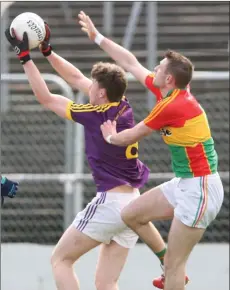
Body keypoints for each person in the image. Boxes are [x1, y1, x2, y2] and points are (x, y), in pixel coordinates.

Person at [5, 25, 168, 290]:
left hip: (111, 203)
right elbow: (78, 79)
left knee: (61, 259)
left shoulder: (94, 114)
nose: (88, 86)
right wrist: (48, 52)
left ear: (101, 93)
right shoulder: (122, 104)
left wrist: (24, 58)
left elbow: (45, 98)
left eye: (94, 86)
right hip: (132, 201)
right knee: (106, 282)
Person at [78, 11, 224, 290]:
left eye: (159, 67)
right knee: (131, 214)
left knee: (175, 265)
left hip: (201, 188)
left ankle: (170, 270)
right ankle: (166, 265)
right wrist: (97, 37)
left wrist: (110, 136)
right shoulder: (168, 92)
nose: (154, 69)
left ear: (168, 79)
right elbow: (130, 62)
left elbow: (132, 135)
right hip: (185, 183)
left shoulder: (173, 105)